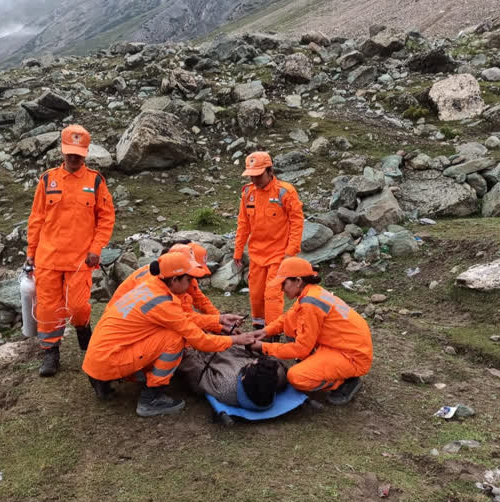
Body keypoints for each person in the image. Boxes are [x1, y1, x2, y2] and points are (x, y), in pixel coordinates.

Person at [82, 252, 255, 417]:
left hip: (98, 358)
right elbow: (200, 341)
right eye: (188, 279)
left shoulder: (152, 286)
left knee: (168, 332)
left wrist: (218, 320)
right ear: (174, 279)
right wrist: (236, 339)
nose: (191, 284)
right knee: (175, 338)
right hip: (109, 359)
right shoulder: (162, 302)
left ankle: (104, 379)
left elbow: (182, 318)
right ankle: (151, 398)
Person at [26, 125, 115, 377]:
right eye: (69, 153)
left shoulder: (95, 181)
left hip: (80, 259)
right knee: (46, 308)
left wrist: (96, 248)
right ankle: (50, 353)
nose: (73, 157)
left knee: (78, 306)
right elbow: (36, 219)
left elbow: (106, 218)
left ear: (85, 153)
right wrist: (30, 253)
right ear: (62, 151)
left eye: (78, 153)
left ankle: (83, 331)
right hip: (47, 258)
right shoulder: (47, 180)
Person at [250, 257, 373, 405]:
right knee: (290, 321)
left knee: (296, 377)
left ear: (298, 281)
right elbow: (287, 318)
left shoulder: (310, 303)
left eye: (284, 283)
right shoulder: (310, 293)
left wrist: (263, 347)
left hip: (352, 355)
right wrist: (264, 332)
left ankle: (344, 381)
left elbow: (301, 349)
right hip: (341, 345)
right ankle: (320, 364)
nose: (281, 288)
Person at [234, 151, 304, 331]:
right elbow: (243, 224)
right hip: (256, 254)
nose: (255, 179)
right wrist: (238, 250)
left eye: (258, 175)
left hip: (279, 255)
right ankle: (259, 330)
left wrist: (291, 253)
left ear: (270, 170)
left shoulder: (285, 192)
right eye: (251, 175)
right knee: (256, 295)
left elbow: (297, 222)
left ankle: (272, 332)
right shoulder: (247, 193)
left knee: (272, 295)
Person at [106, 242, 242, 333]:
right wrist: (220, 325)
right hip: (123, 326)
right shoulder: (158, 282)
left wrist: (222, 323)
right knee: (175, 339)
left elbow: (200, 300)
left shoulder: (177, 274)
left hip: (127, 321)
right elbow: (183, 319)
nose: (195, 277)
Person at [178, 346, 287, 410]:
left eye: (250, 364)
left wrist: (188, 348)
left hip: (206, 349)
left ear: (243, 378)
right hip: (232, 345)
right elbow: (270, 357)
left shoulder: (224, 386)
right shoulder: (277, 374)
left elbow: (196, 369)